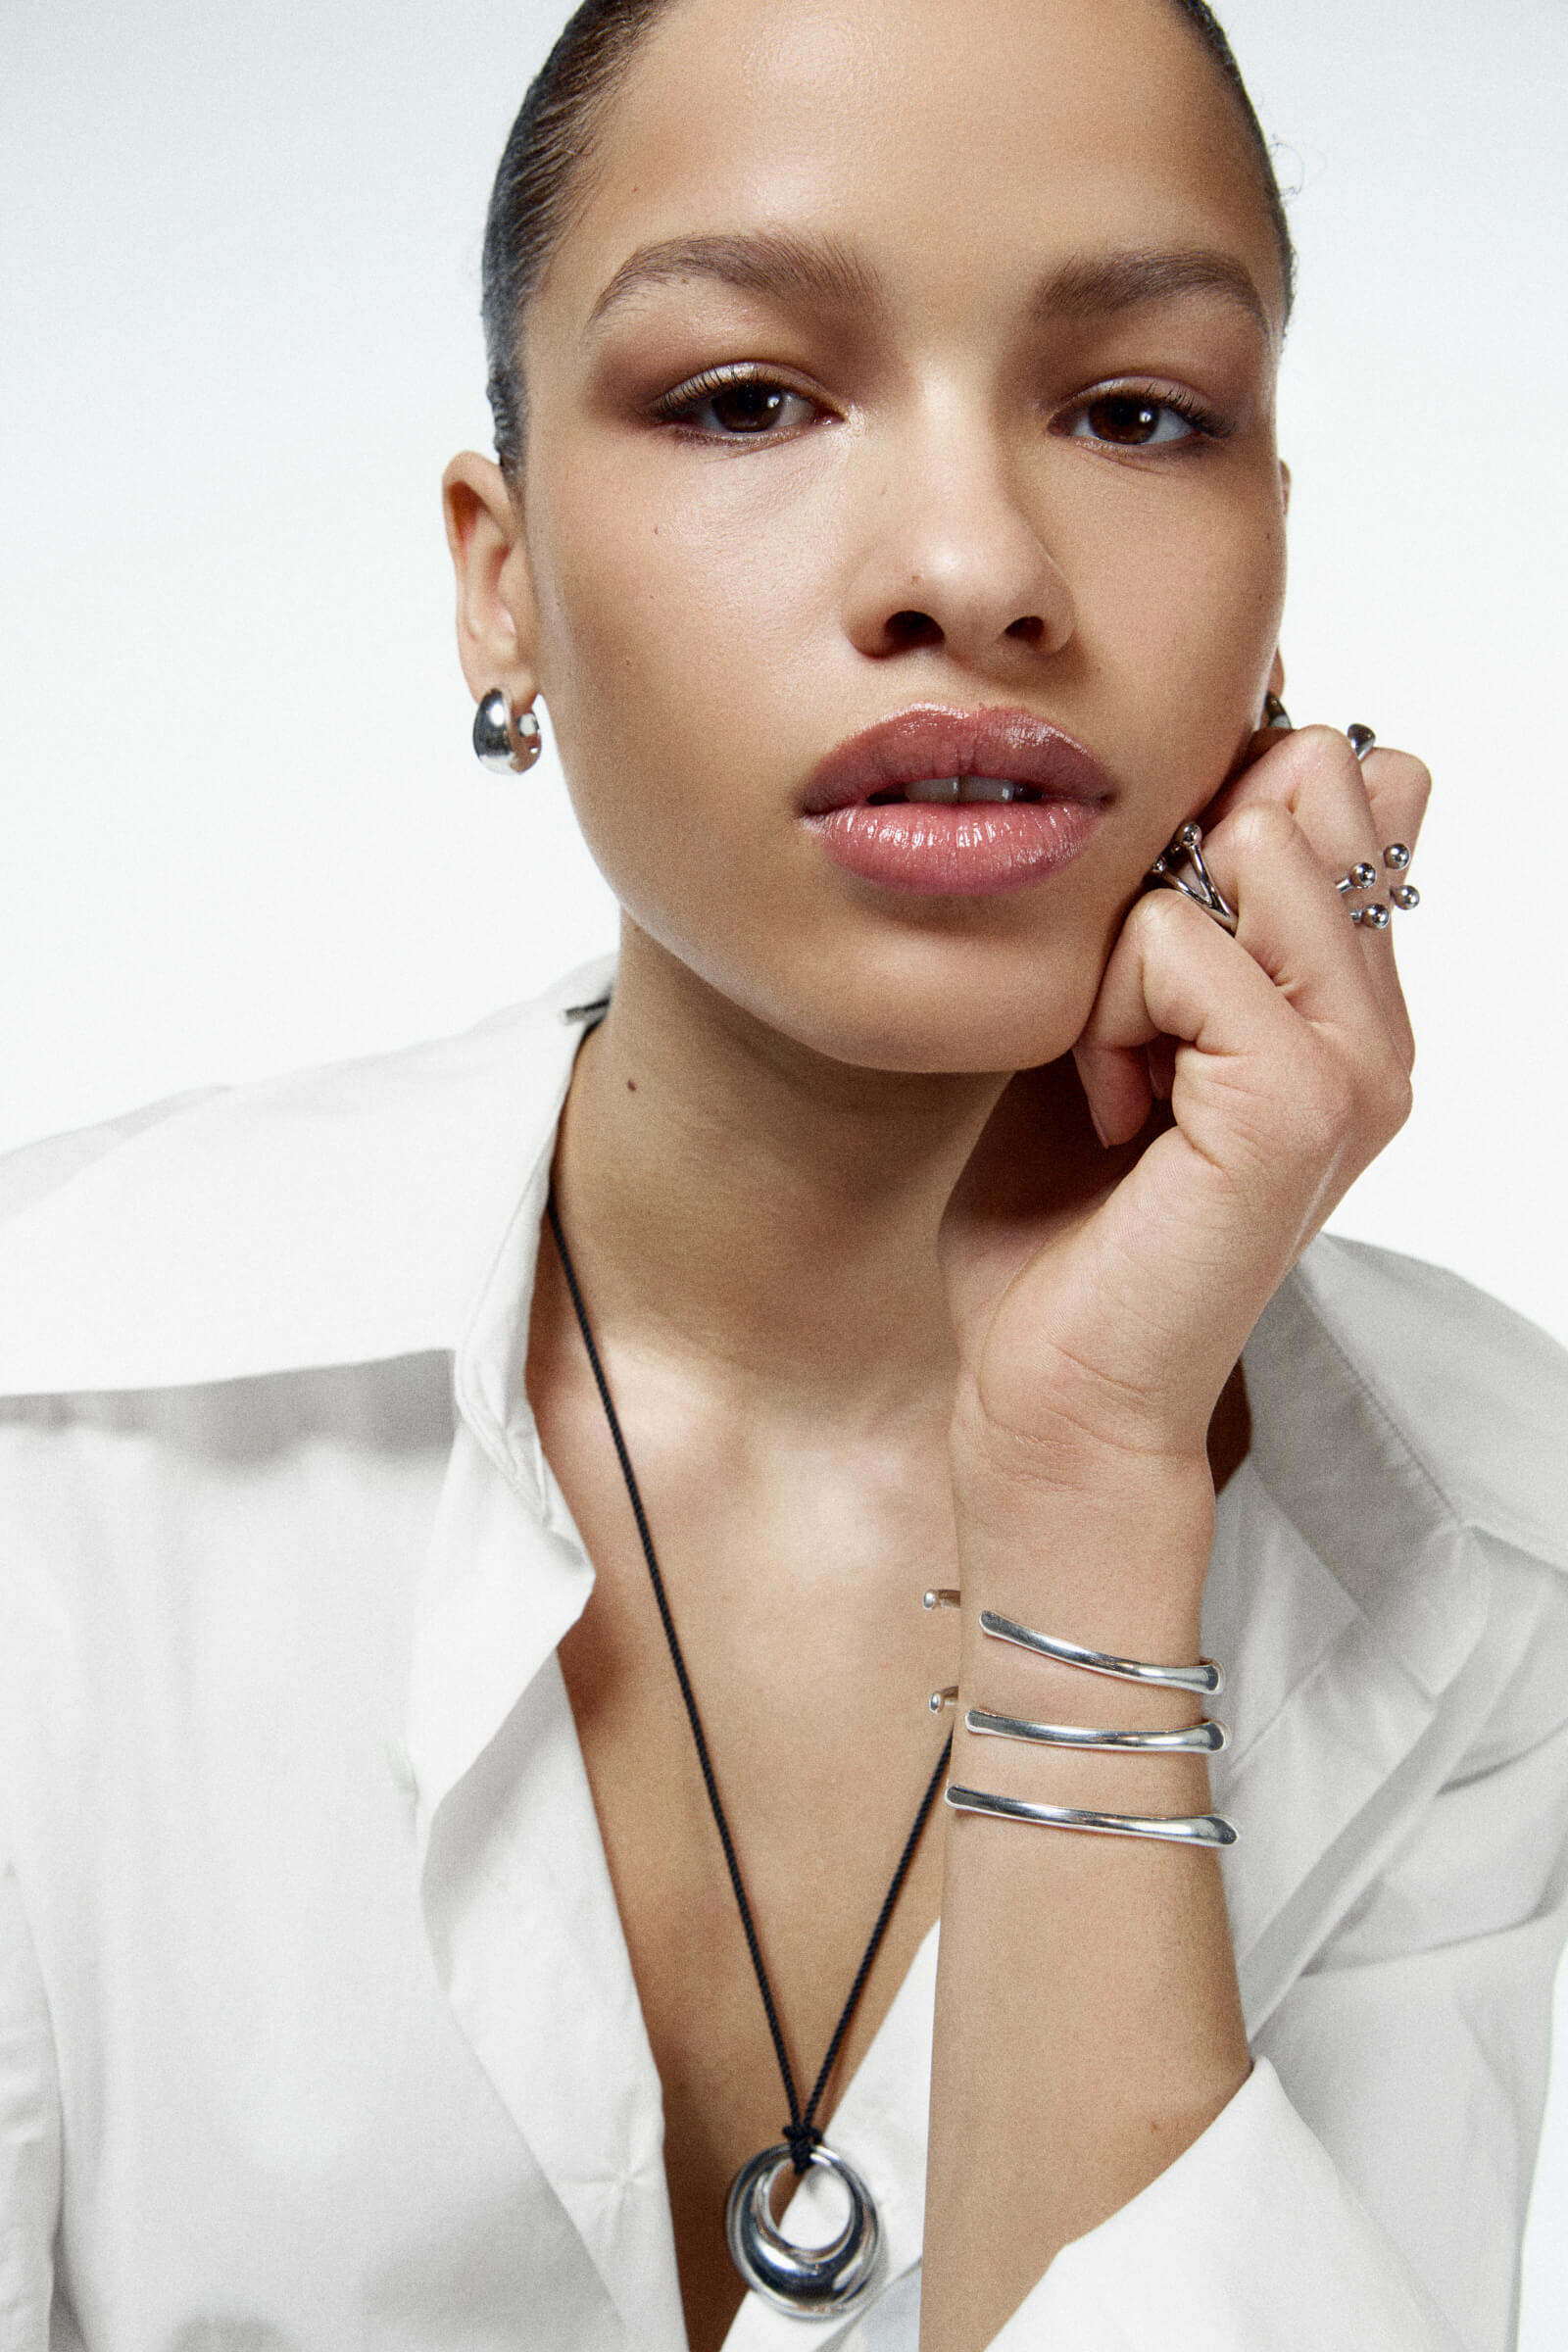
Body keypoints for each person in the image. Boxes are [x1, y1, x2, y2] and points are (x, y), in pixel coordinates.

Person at [2, 1, 1566, 2347]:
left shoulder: (1491, 1546)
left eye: (1135, 411)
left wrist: (1085, 1482)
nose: (970, 565)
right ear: (497, 576)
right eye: (746, 396)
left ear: (1270, 560)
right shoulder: (53, 1436)